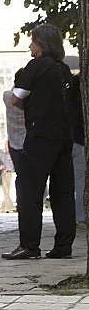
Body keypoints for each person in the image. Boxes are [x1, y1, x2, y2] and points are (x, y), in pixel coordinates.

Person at [3, 24, 76, 260]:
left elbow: (16, 98)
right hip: (64, 136)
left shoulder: (35, 67)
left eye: (32, 41)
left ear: (41, 43)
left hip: (40, 135)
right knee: (62, 191)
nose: (29, 46)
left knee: (30, 189)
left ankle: (29, 245)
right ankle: (64, 245)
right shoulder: (63, 70)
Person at [1, 87, 26, 214]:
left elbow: (9, 93)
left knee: (20, 176)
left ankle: (21, 202)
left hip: (14, 144)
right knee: (32, 174)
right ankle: (31, 200)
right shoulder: (28, 99)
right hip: (28, 142)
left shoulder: (7, 96)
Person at [70, 74, 85, 227]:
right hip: (80, 143)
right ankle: (81, 217)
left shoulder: (67, 102)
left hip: (68, 142)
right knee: (81, 181)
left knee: (70, 182)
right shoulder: (82, 104)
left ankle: (72, 216)